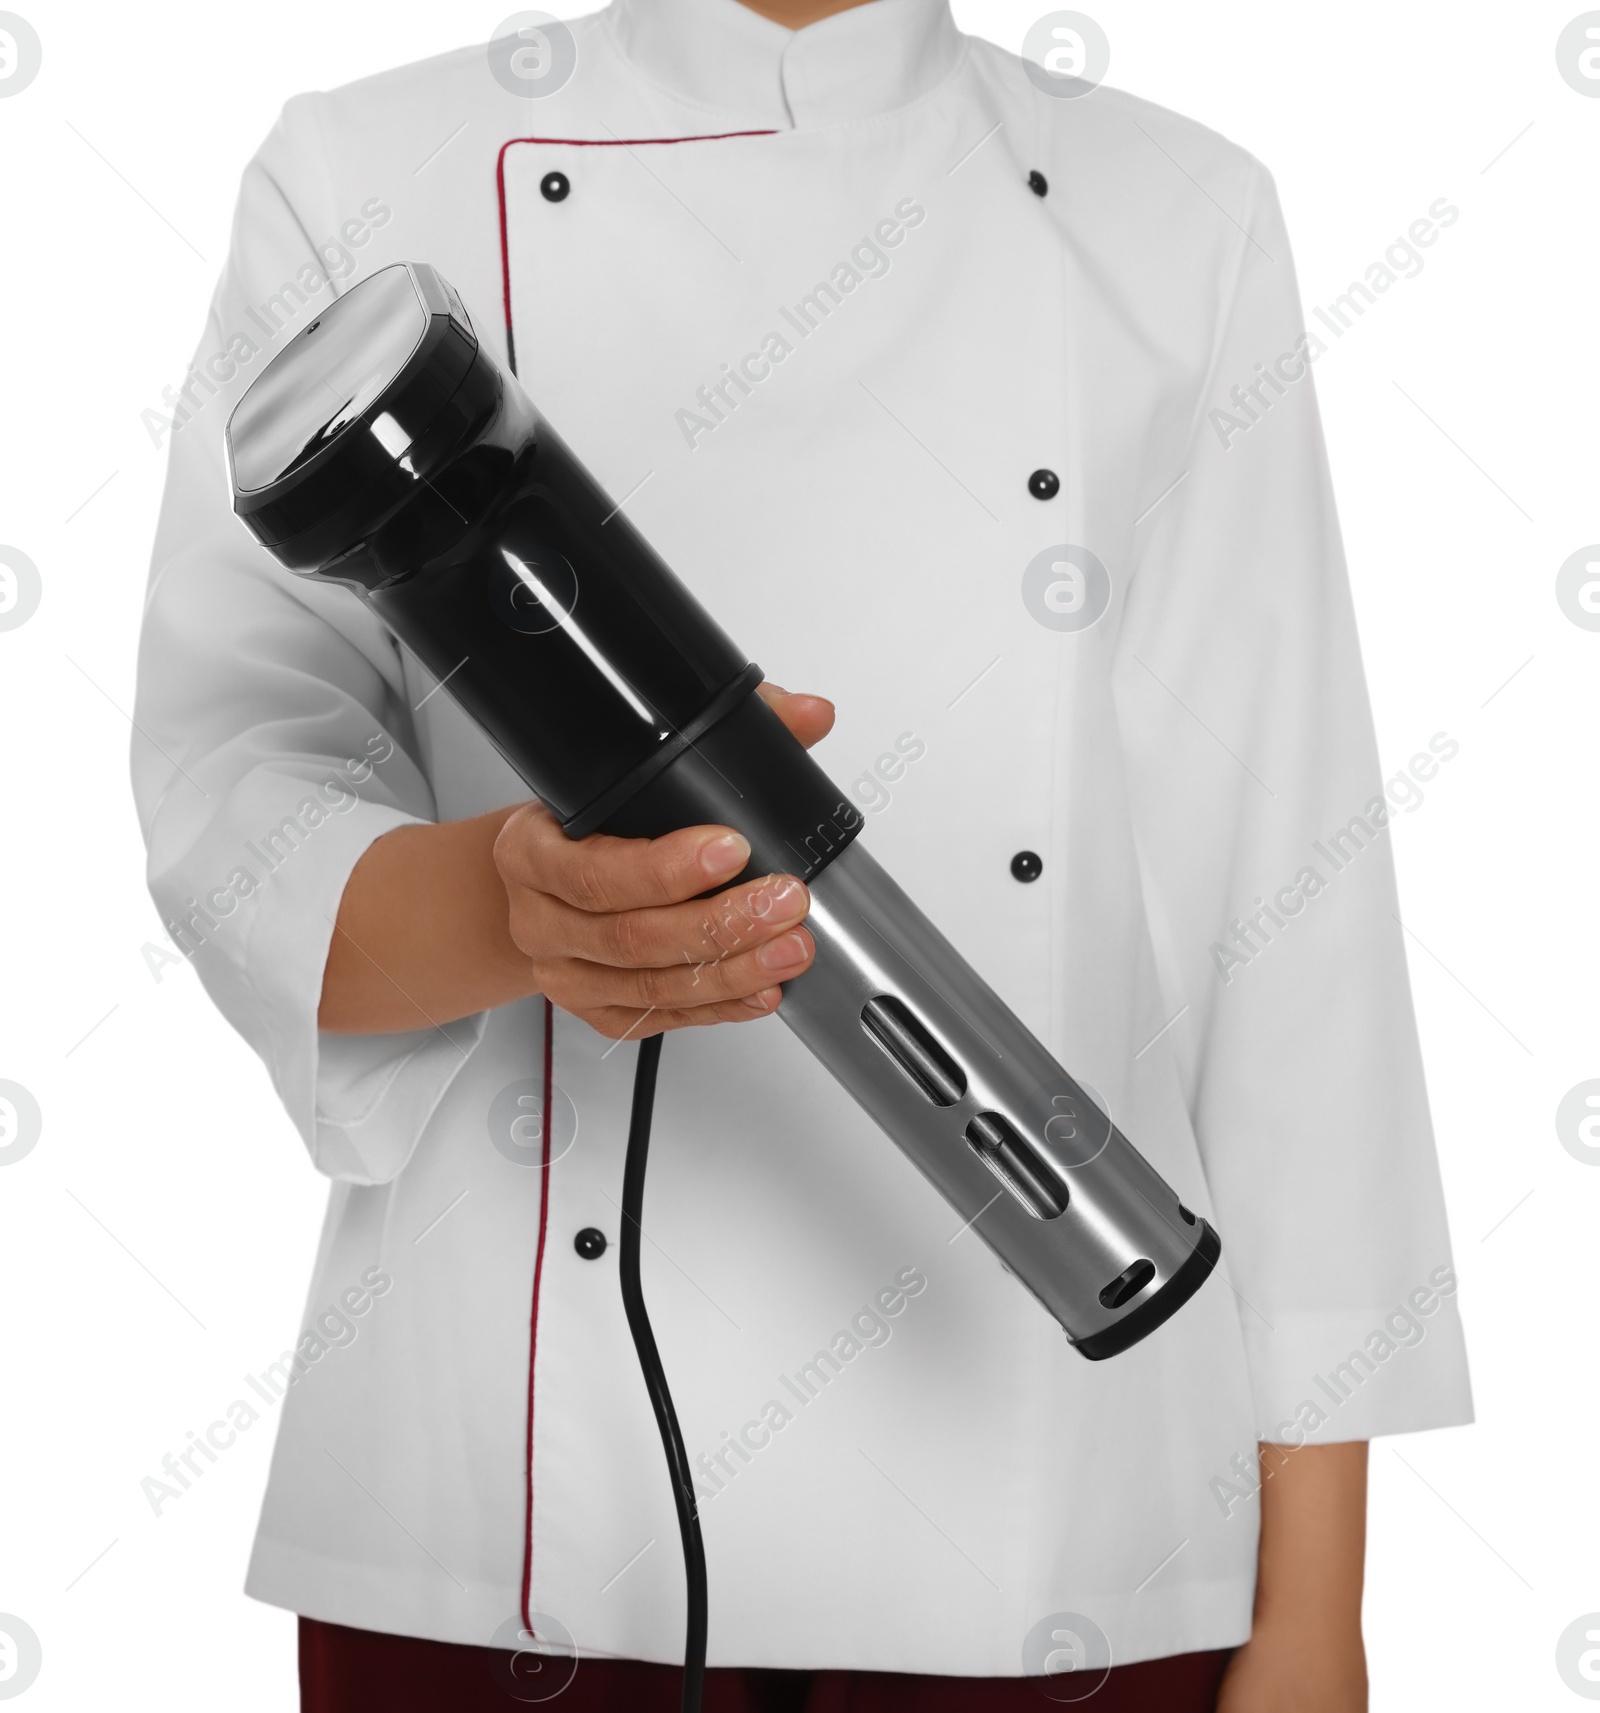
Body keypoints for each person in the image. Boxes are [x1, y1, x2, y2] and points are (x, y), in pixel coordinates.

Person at [131, 0, 1473, 1708]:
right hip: (509, 1531)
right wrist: (508, 911)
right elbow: (233, 797)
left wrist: (1318, 1604)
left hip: (1063, 1519)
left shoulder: (1179, 216)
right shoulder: (359, 171)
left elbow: (1290, 906)